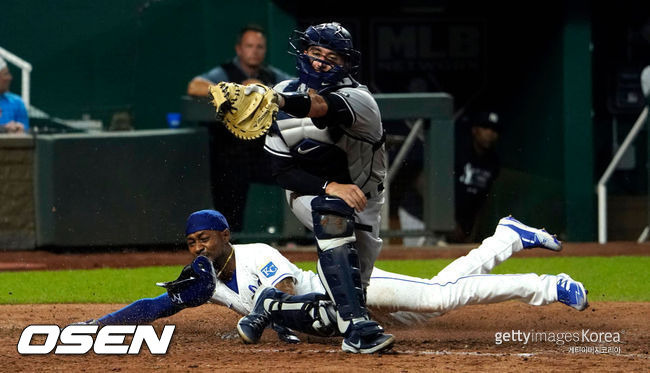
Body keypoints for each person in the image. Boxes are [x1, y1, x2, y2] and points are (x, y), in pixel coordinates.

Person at [76, 209, 589, 352]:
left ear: (225, 235)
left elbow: (278, 293)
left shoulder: (254, 253)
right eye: (192, 243)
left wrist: (263, 319)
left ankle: (546, 285)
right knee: (435, 294)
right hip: (341, 324)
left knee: (441, 299)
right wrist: (100, 325)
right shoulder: (208, 279)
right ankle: (506, 238)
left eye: (206, 239)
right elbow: (158, 306)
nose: (199, 248)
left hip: (346, 290)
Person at [260, 22, 393, 353]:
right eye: (315, 53)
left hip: (365, 200)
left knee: (338, 312)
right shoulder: (281, 93)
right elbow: (281, 171)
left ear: (347, 64)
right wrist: (328, 186)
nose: (320, 62)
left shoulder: (360, 99)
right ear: (303, 52)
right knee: (332, 210)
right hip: (309, 193)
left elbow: (319, 108)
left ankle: (272, 307)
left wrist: (274, 99)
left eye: (332, 57)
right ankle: (360, 331)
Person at [186, 24, 294, 231]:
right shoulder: (225, 72)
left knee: (292, 171)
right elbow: (195, 86)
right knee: (229, 207)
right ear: (239, 49)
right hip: (230, 153)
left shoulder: (269, 75)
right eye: (249, 46)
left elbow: (296, 89)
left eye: (260, 47)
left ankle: (292, 237)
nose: (254, 51)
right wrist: (236, 91)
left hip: (262, 151)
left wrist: (263, 91)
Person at [0, 56, 29, 134]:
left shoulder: (17, 102)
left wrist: (19, 130)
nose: (10, 78)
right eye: (5, 74)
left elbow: (25, 134)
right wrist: (4, 129)